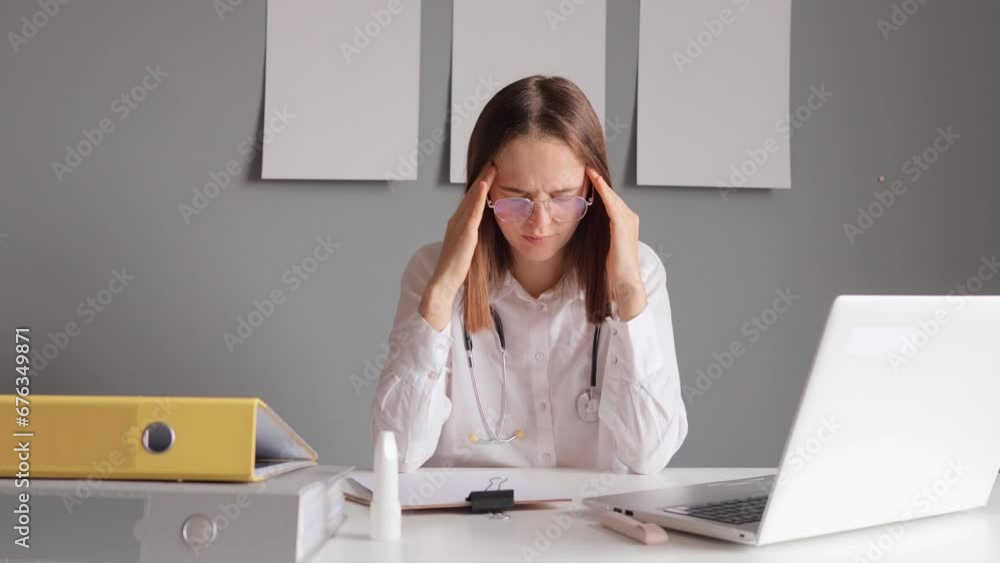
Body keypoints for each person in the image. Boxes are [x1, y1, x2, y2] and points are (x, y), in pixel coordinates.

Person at [371, 75, 687, 474]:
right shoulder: (430, 272)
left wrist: (626, 290)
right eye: (517, 198)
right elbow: (396, 455)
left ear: (594, 190)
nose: (540, 222)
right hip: (466, 527)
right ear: (482, 194)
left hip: (589, 528)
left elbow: (650, 456)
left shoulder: (639, 273)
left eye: (561, 198)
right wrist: (442, 291)